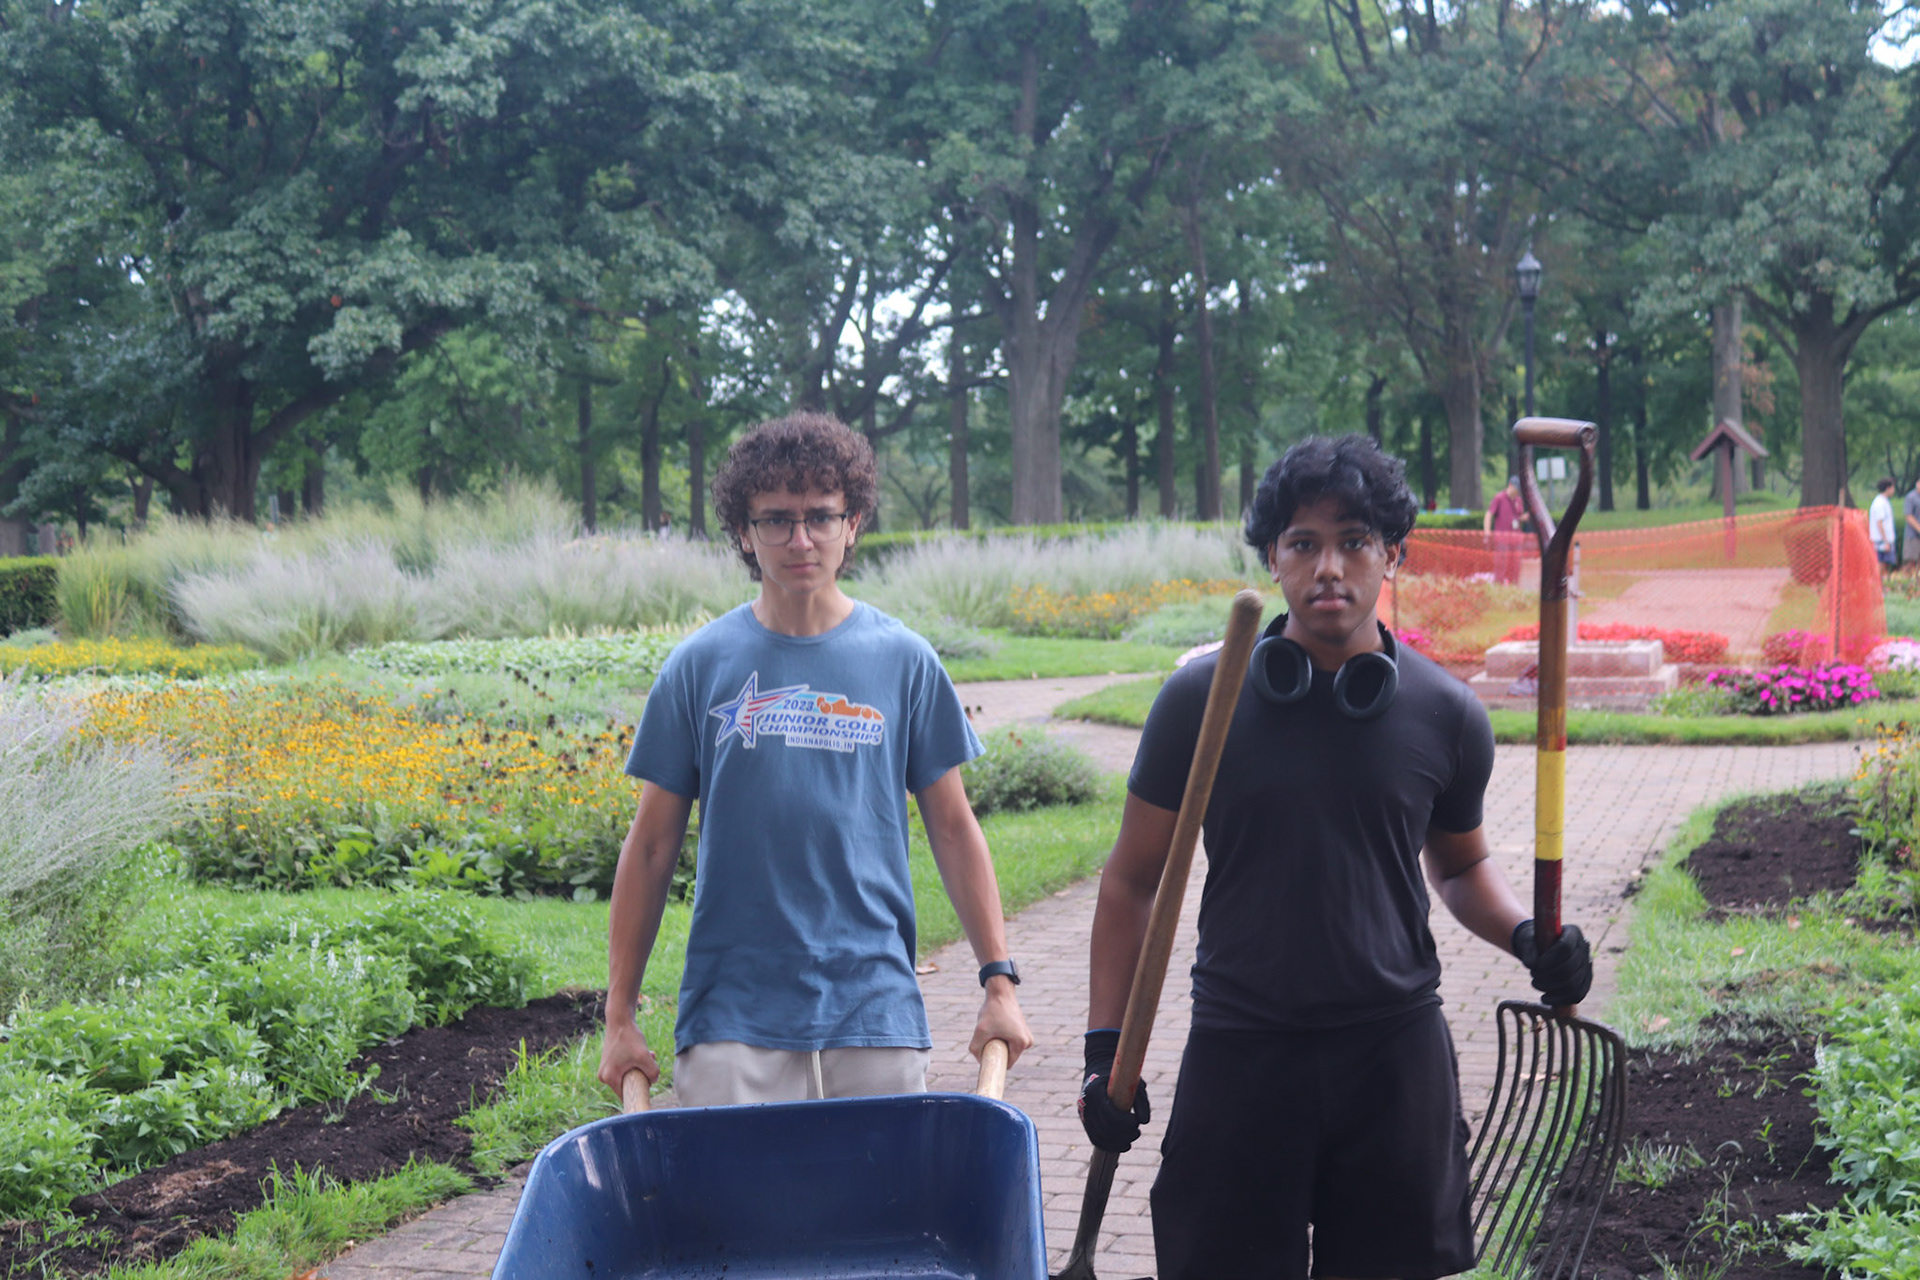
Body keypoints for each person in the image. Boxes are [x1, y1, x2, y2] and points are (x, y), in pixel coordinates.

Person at [1080, 435, 1593, 1280]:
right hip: (1241, 1052)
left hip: (1393, 1059)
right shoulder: (1199, 704)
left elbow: (1459, 868)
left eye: (1354, 541)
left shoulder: (1446, 713)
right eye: (1303, 542)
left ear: (1393, 555)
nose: (1329, 567)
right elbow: (1132, 883)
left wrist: (1527, 935)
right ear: (1271, 558)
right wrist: (1104, 1054)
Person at [598, 412, 1033, 1107]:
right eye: (776, 519)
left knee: (880, 1187)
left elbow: (954, 829)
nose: (801, 540)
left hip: (874, 1016)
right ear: (744, 532)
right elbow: (651, 847)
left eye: (821, 517)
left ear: (852, 524)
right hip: (732, 1025)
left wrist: (999, 984)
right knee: (733, 1188)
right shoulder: (698, 667)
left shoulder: (905, 661)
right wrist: (619, 1015)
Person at [1484, 475, 1526, 584]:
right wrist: (1487, 533)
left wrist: (1525, 517)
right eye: (1516, 489)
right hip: (1502, 538)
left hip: (1515, 538)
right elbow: (1489, 514)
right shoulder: (1499, 498)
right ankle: (1499, 585)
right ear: (1510, 485)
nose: (1517, 492)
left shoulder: (1518, 500)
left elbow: (1518, 517)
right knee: (1501, 564)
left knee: (1515, 563)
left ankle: (1513, 585)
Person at [1871, 476, 1899, 582]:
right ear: (1888, 488)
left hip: (1886, 540)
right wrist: (1885, 541)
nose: (1893, 490)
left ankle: (1883, 584)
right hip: (1881, 541)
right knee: (1880, 564)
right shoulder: (1879, 503)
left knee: (1886, 565)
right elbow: (1879, 523)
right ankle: (1877, 583)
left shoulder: (1885, 501)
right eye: (1893, 487)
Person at [1902, 477, 1920, 577]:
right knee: (1911, 561)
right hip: (1912, 535)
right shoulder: (1911, 497)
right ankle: (1904, 580)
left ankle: (1916, 583)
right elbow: (1908, 516)